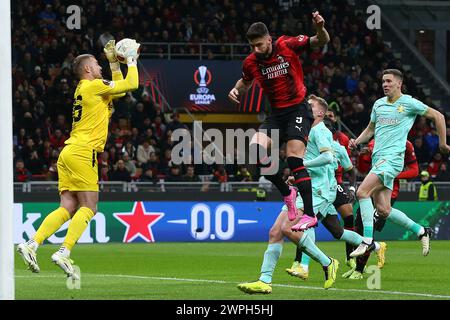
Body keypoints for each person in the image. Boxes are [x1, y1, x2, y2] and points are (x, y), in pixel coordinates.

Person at [17, 39, 140, 278]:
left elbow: (121, 89)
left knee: (68, 206)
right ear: (87, 69)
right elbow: (132, 83)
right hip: (84, 152)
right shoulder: (92, 86)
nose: (100, 67)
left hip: (68, 152)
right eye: (97, 64)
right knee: (90, 207)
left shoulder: (89, 90)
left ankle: (31, 244)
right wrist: (132, 59)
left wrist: (115, 61)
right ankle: (63, 252)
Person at [228, 12, 330, 231]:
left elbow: (320, 41)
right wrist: (237, 89)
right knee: (255, 152)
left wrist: (320, 28)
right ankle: (287, 193)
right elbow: (245, 82)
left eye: (259, 45)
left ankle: (310, 215)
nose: (256, 49)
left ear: (268, 39)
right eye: (252, 46)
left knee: (294, 161)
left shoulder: (287, 45)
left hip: (297, 109)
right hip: (275, 114)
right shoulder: (251, 62)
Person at [349, 69, 450, 258]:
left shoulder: (409, 103)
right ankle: (421, 230)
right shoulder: (379, 104)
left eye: (388, 81)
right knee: (383, 209)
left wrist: (443, 144)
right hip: (379, 160)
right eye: (383, 82)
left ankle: (367, 241)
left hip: (393, 159)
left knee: (362, 192)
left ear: (399, 83)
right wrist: (357, 141)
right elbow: (370, 129)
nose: (385, 85)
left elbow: (439, 116)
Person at [284, 98, 385, 280]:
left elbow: (347, 168)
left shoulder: (330, 140)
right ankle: (375, 245)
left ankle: (304, 266)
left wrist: (352, 189)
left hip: (325, 189)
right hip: (321, 187)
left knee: (308, 223)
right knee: (336, 231)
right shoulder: (310, 136)